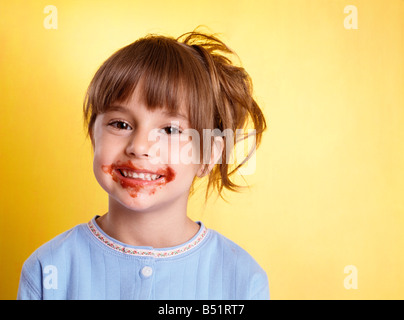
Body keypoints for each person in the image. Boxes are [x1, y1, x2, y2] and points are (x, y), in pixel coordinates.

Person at [17, 29, 269, 300]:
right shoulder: (48, 270)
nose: (139, 147)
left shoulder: (242, 279)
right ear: (94, 136)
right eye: (120, 124)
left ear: (209, 155)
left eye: (170, 130)